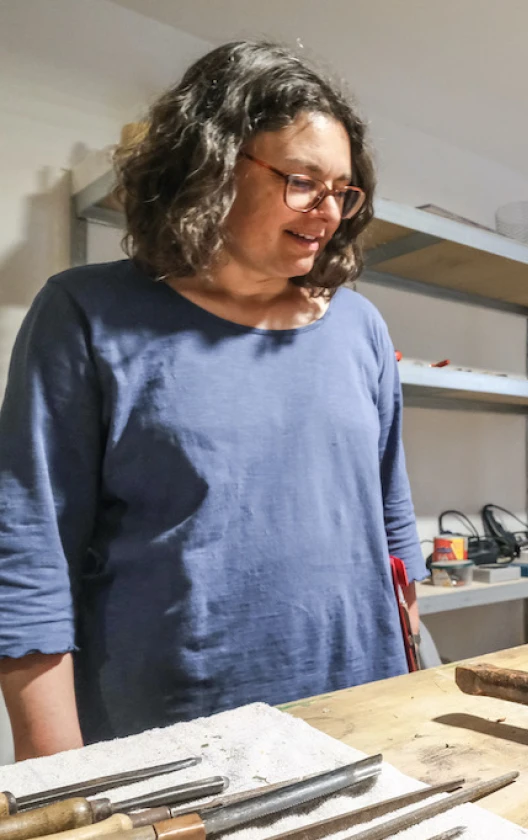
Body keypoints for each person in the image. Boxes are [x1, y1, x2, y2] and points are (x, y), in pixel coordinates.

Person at [0, 41, 423, 759]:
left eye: (343, 190)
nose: (328, 211)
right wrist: (59, 778)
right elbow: (29, 556)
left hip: (361, 713)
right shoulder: (86, 313)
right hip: (172, 738)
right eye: (301, 180)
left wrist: (415, 698)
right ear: (214, 165)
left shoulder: (361, 327)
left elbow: (393, 527)